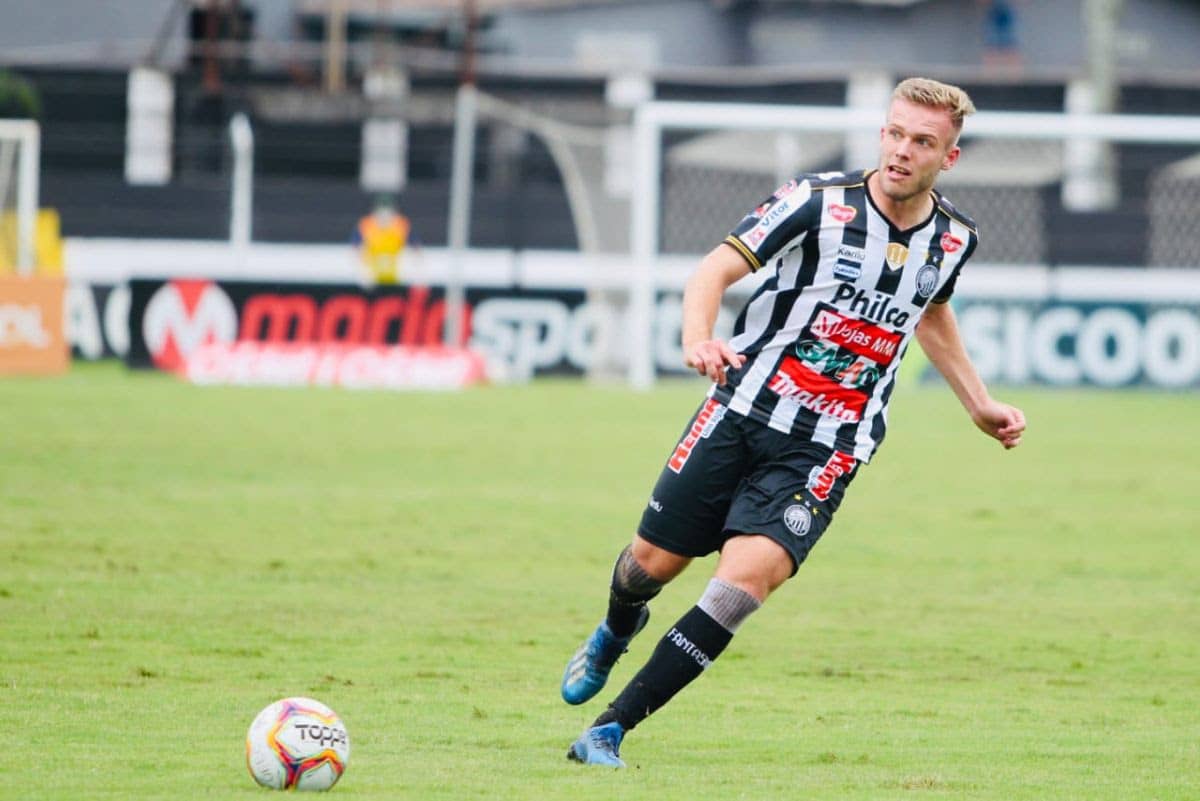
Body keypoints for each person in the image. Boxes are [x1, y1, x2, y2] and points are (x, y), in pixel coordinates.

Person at [560, 77, 1027, 768]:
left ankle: (609, 729)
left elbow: (930, 310)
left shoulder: (955, 239)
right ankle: (614, 627)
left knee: (745, 581)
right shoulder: (816, 202)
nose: (902, 150)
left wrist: (977, 402)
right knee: (649, 565)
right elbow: (713, 269)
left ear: (948, 158)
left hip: (830, 445)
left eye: (922, 141)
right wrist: (699, 335)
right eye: (894, 132)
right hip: (740, 409)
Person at [354, 196, 410, 285]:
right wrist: (363, 271)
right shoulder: (366, 225)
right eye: (381, 212)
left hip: (395, 272)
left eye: (388, 212)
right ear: (374, 212)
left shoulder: (401, 225)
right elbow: (356, 248)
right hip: (371, 272)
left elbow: (411, 250)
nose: (384, 215)